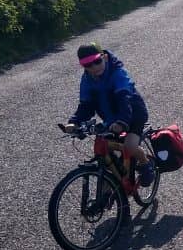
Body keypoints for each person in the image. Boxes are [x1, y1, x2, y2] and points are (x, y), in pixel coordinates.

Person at [65, 43, 156, 186]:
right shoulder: (87, 80)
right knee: (107, 155)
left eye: (97, 61)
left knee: (129, 147)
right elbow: (85, 105)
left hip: (133, 115)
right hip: (112, 119)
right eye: (88, 65)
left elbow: (124, 99)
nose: (94, 67)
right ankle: (112, 187)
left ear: (105, 57)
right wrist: (75, 122)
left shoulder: (117, 73)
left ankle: (146, 165)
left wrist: (122, 122)